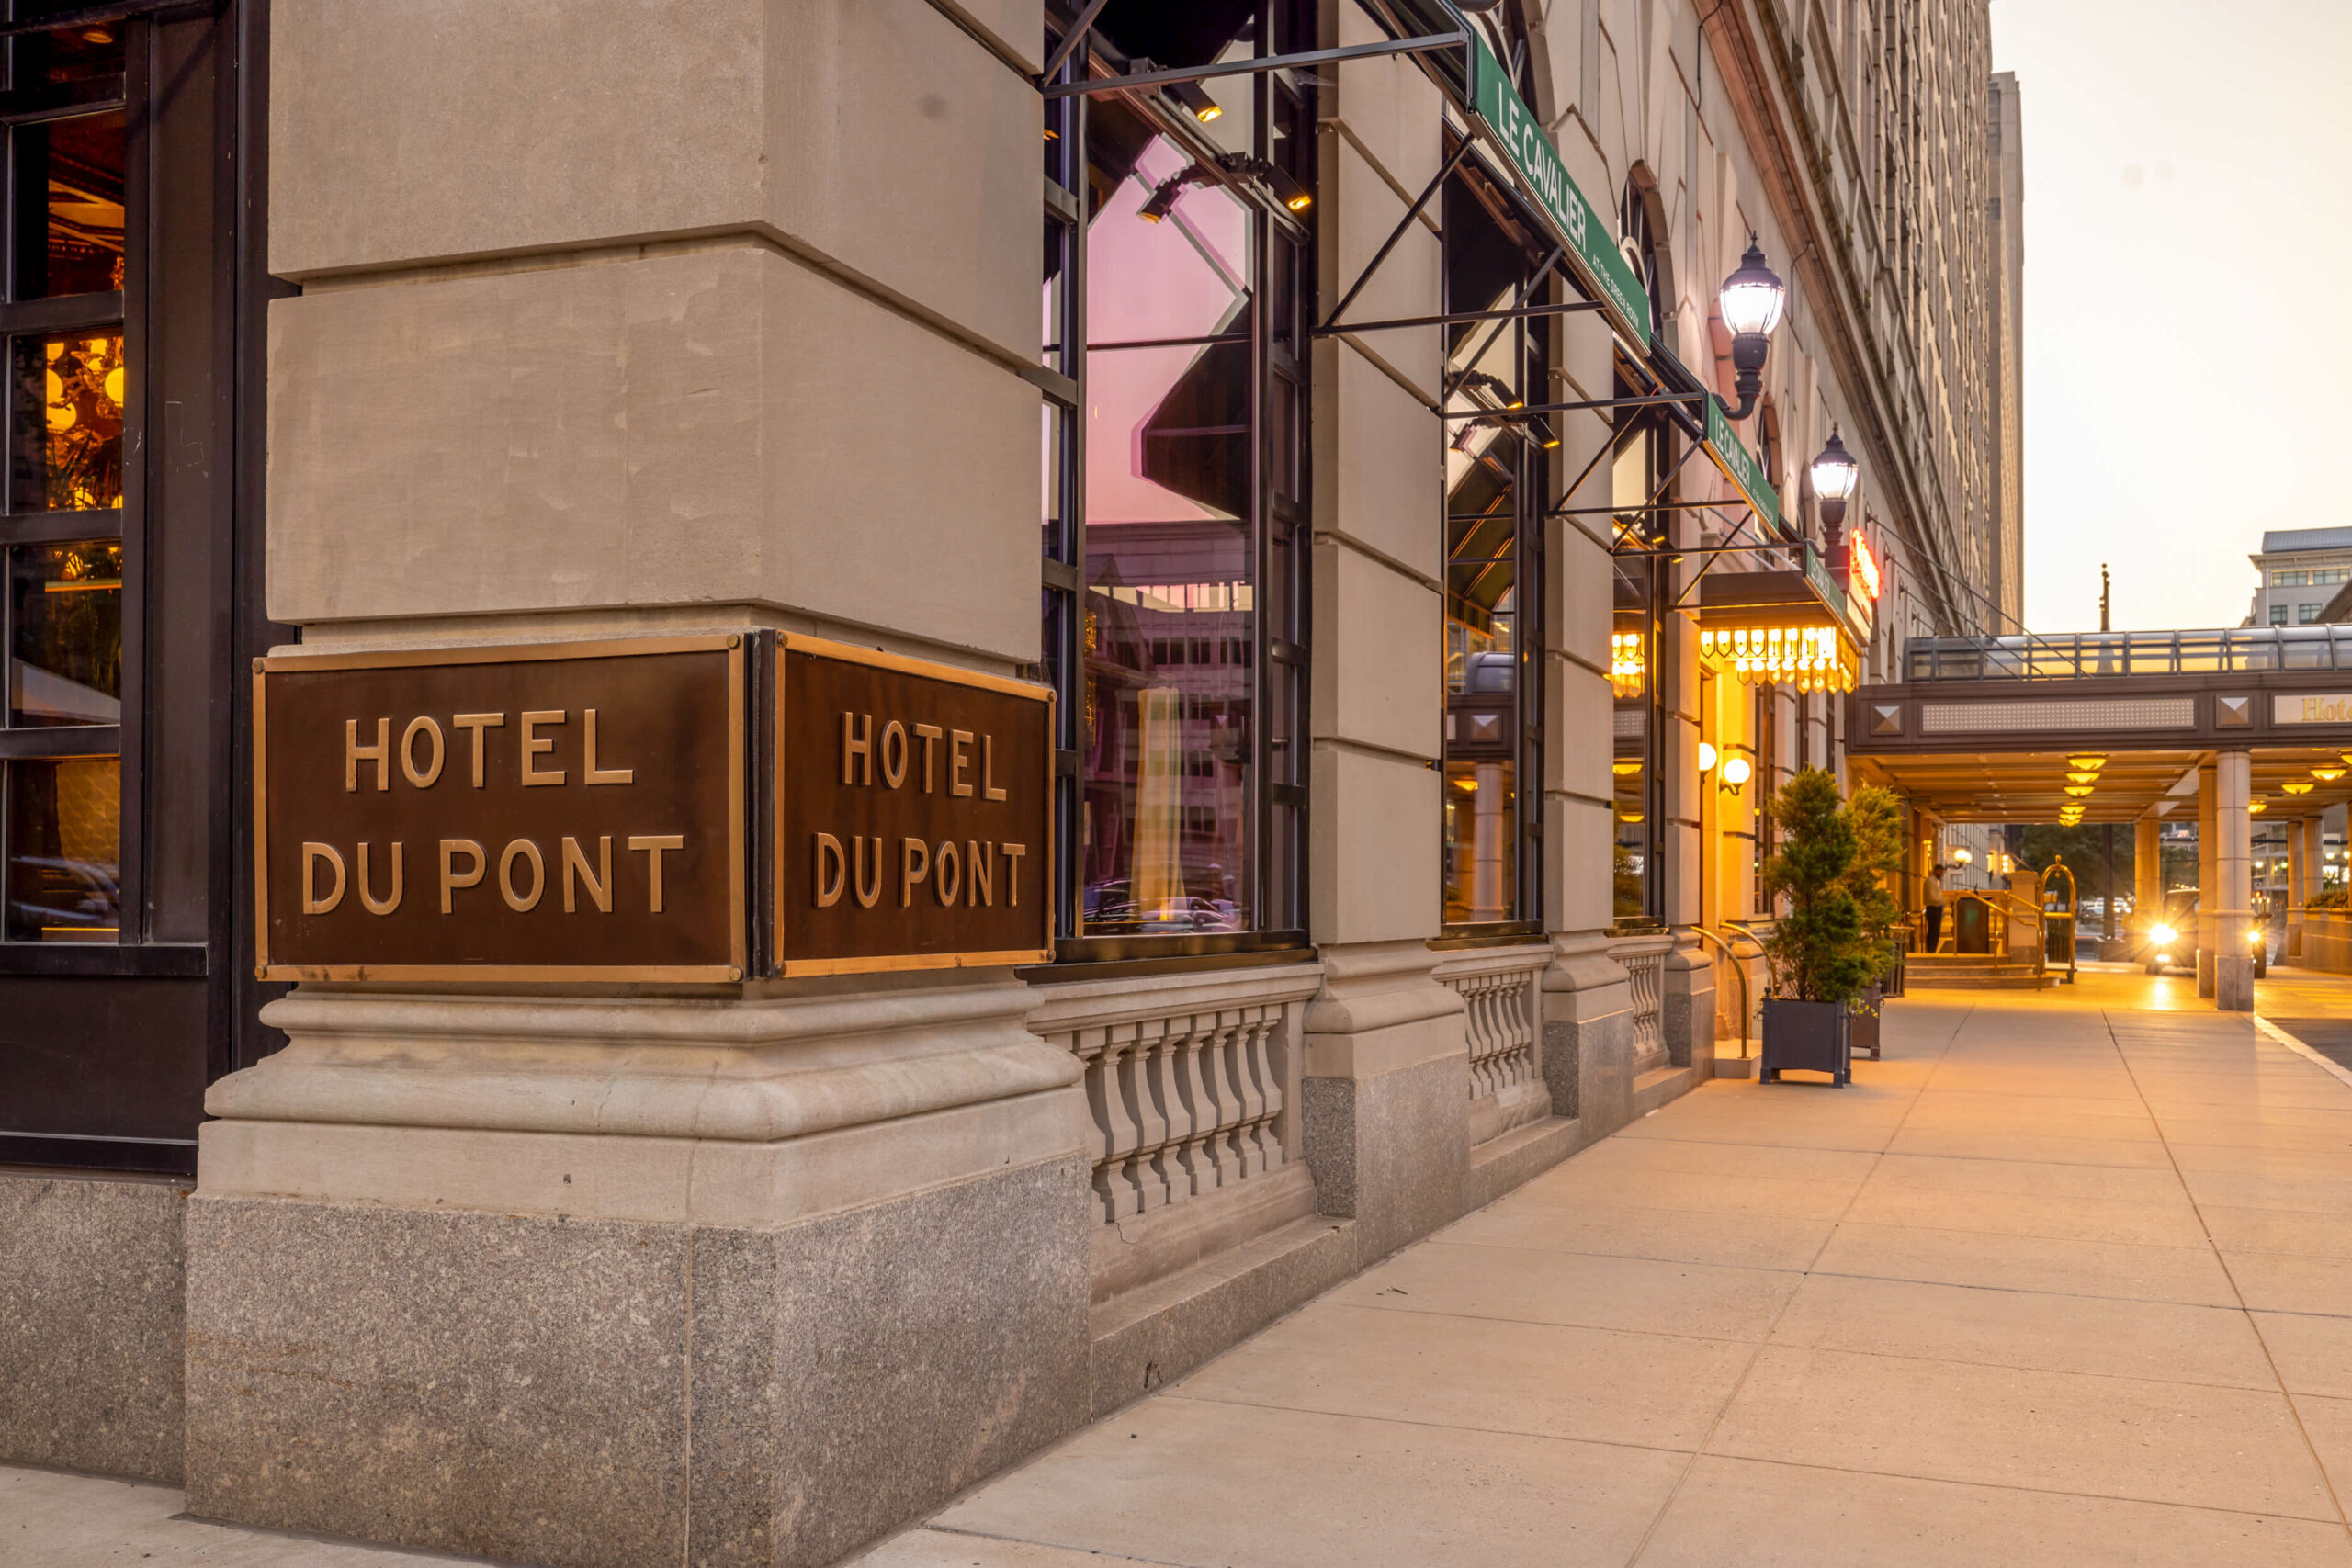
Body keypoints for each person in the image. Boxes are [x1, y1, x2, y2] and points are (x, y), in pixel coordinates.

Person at [1924, 861, 1950, 951]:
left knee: (1935, 931)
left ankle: (1932, 949)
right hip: (1933, 908)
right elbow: (1932, 897)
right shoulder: (1930, 881)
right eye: (1941, 872)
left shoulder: (1934, 882)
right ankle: (1931, 949)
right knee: (1933, 931)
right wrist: (1943, 901)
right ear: (1936, 871)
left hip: (1936, 908)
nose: (1942, 875)